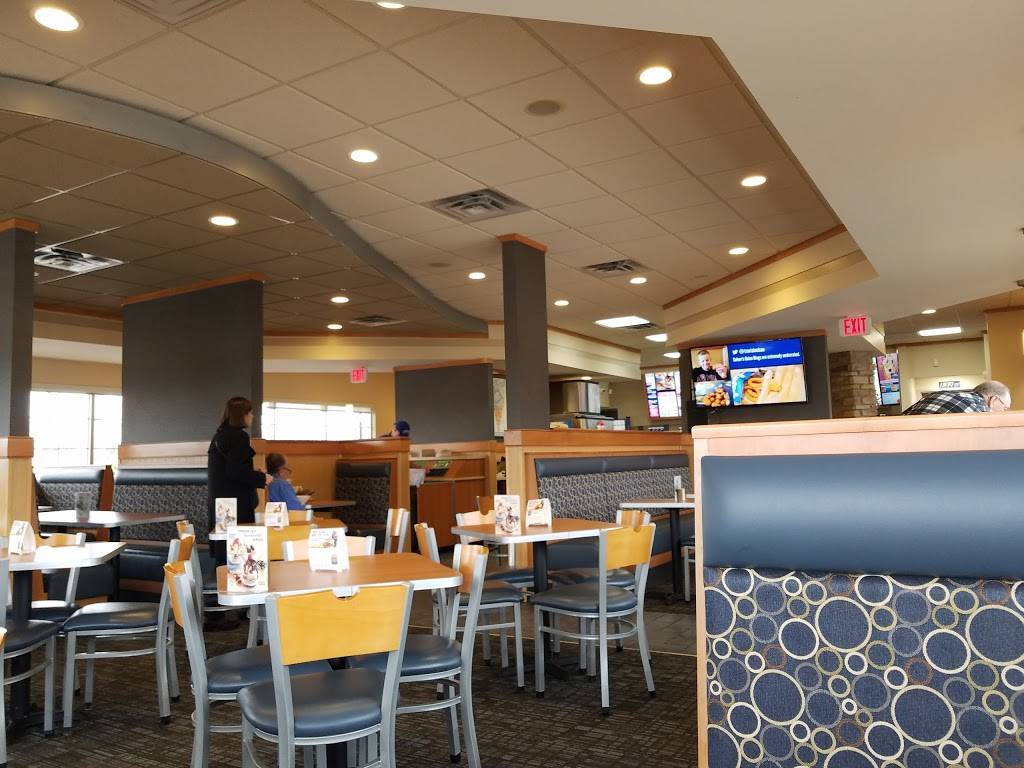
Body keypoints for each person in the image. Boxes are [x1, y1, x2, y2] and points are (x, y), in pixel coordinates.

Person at [207, 396, 271, 530]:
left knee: (223, 539)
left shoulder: (218, 436)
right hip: (236, 503)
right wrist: (262, 478)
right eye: (250, 413)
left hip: (220, 502)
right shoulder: (239, 437)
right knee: (238, 541)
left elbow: (231, 468)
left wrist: (254, 473)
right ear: (243, 415)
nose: (252, 416)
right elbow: (235, 472)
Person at [902, 380, 1011, 415]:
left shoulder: (934, 395)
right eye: (1005, 408)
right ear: (993, 400)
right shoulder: (981, 412)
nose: (1005, 413)